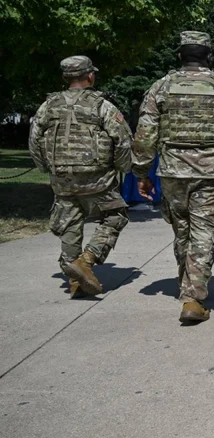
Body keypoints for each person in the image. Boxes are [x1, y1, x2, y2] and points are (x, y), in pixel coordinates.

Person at [131, 31, 214, 324]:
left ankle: (189, 287)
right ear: (208, 56)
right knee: (204, 231)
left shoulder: (162, 87)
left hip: (173, 170)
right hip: (212, 170)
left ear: (180, 55)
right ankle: (193, 297)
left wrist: (141, 171)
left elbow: (145, 132)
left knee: (182, 230)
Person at [28, 56, 133, 298]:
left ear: (65, 77)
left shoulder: (48, 105)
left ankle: (74, 279)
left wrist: (46, 167)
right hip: (97, 178)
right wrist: (121, 168)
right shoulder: (101, 105)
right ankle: (87, 260)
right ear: (90, 76)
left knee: (69, 225)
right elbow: (123, 141)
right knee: (115, 215)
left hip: (62, 178)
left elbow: (34, 140)